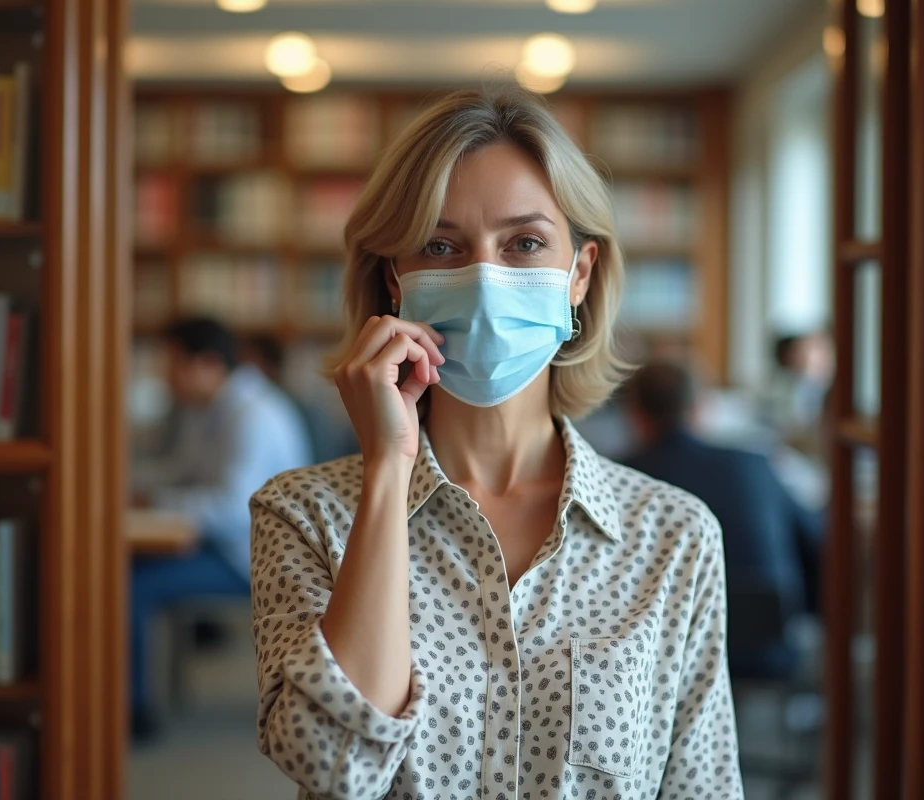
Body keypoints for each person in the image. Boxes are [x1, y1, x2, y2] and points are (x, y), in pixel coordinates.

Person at [249, 86, 742, 800]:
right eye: (440, 246)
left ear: (579, 273)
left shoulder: (672, 536)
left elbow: (703, 789)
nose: (485, 279)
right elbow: (333, 763)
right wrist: (389, 470)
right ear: (396, 280)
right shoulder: (304, 515)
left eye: (525, 243)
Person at [129, 316, 311, 738]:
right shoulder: (214, 407)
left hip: (258, 558)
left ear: (207, 364)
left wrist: (154, 502)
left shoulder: (253, 415)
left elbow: (233, 507)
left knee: (134, 584)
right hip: (228, 544)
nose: (164, 377)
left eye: (172, 365)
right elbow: (183, 470)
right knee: (137, 569)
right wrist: (130, 486)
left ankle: (135, 709)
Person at [622, 360, 823, 679]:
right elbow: (816, 543)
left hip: (663, 660)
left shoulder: (622, 482)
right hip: (766, 645)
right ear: (702, 408)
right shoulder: (756, 466)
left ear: (635, 415)